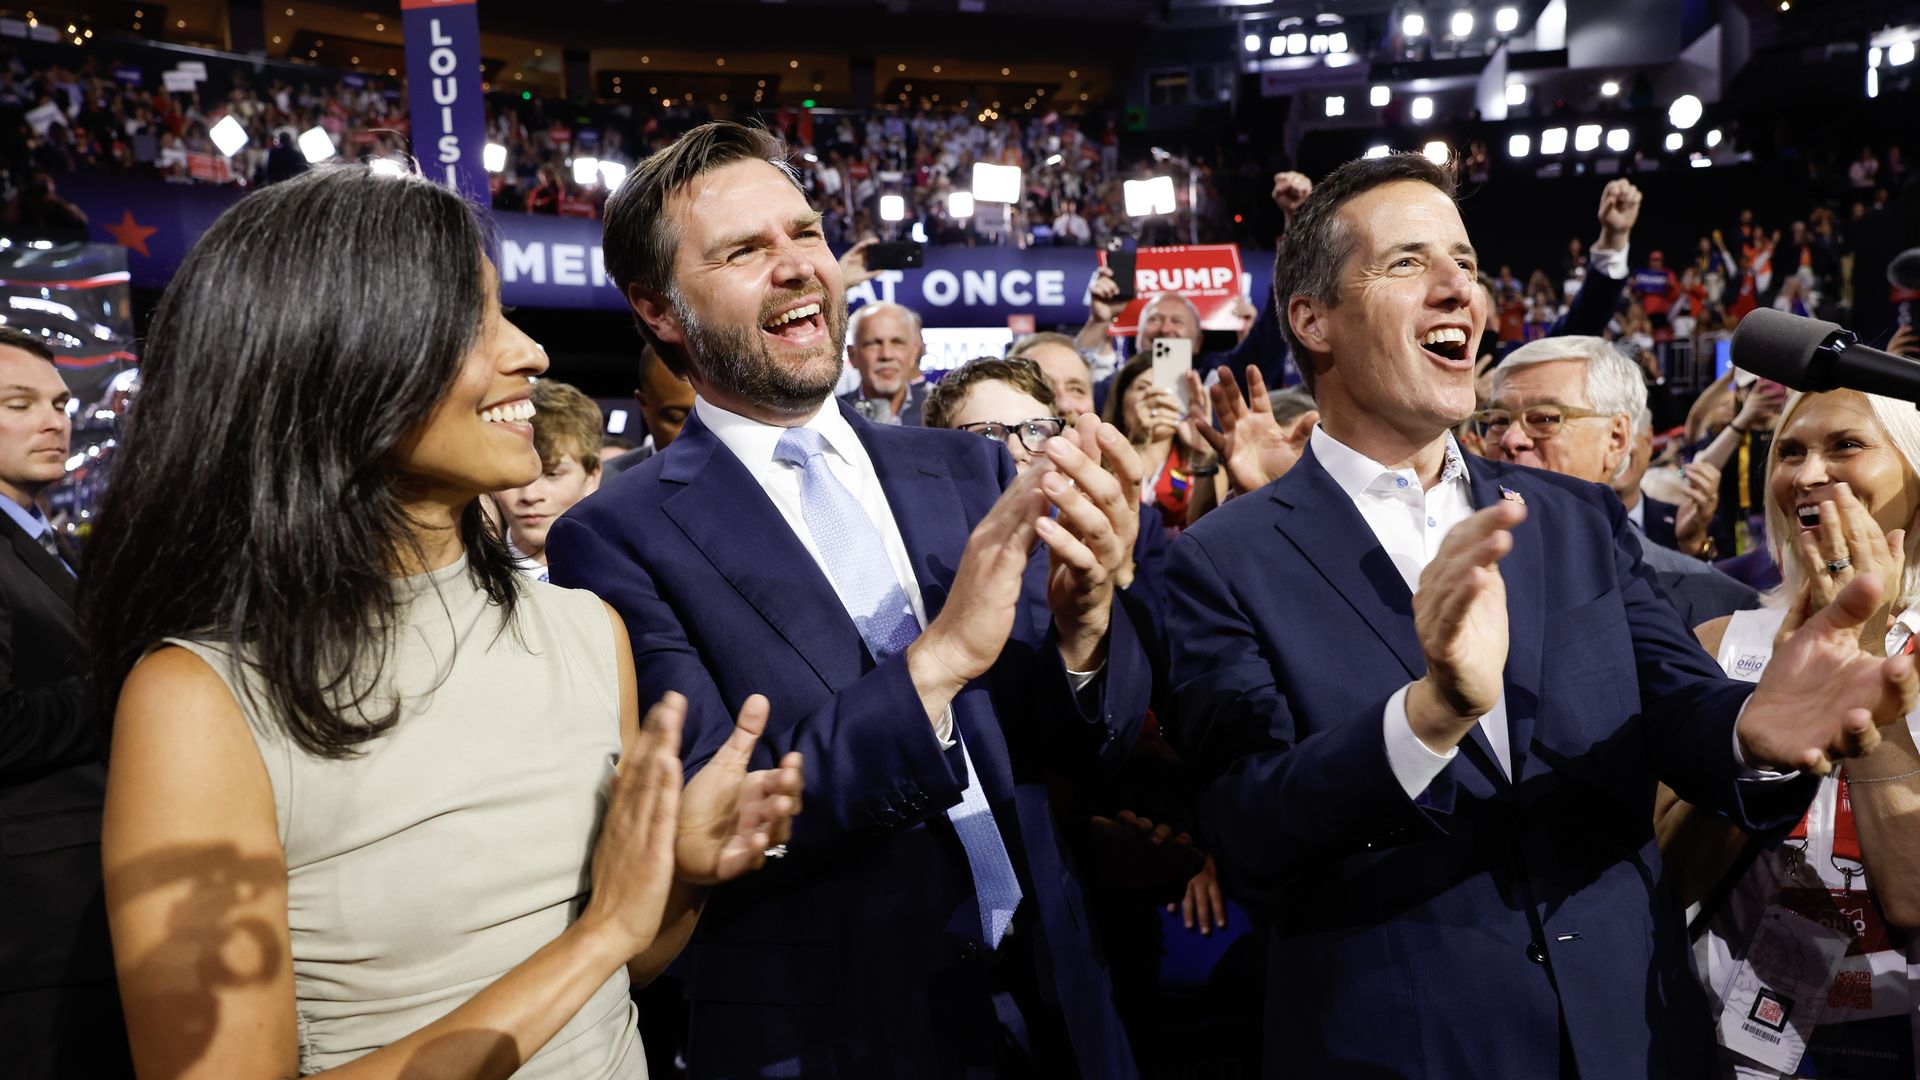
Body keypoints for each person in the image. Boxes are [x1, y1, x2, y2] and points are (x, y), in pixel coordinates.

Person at [1167, 151, 1917, 1079]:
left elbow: (1678, 708)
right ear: (1312, 321)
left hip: (1638, 1042)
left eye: (1468, 265)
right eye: (1408, 263)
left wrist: (1750, 731)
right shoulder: (1217, 560)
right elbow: (1249, 828)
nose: (1458, 291)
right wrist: (1428, 715)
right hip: (1409, 1051)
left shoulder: (1571, 517)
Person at [84, 167, 803, 1079]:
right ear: (334, 358)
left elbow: (621, 973)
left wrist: (679, 881)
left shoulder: (587, 630)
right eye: (473, 320)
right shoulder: (197, 701)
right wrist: (603, 932)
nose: (531, 353)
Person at [556, 120, 1152, 1078]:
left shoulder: (962, 467)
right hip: (841, 1030)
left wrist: (1086, 633)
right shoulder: (613, 537)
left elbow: (1077, 747)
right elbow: (730, 814)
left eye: (805, 235)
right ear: (658, 309)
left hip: (1057, 1006)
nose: (797, 267)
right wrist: (939, 660)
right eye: (746, 250)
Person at [1660, 387, 1920, 1079]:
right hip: (1731, 1044)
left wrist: (1863, 662)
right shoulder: (1718, 641)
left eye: (1845, 446)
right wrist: (1760, 752)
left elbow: (1912, 895)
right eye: (1790, 451)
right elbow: (1665, 878)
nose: (1807, 474)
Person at [0, 328, 131, 1078]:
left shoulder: (54, 544)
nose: (55, 420)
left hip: (82, 916)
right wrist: (130, 687)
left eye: (57, 402)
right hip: (33, 929)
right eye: (21, 404)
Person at [1477, 336, 1757, 626]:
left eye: (1545, 419)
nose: (1511, 439)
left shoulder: (1721, 606)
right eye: (1498, 420)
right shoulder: (1444, 565)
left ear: (1616, 438)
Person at [495, 378, 603, 583]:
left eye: (553, 474)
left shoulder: (618, 576)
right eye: (515, 475)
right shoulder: (470, 581)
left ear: (591, 478)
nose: (530, 495)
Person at [1101, 353, 1221, 531]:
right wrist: (1138, 444)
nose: (1157, 397)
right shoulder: (1098, 458)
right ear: (1120, 400)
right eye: (1143, 388)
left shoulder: (1206, 467)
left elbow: (1205, 532)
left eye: (1167, 389)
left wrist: (1202, 453)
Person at [603, 344, 697, 480]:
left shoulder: (737, 475)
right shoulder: (604, 484)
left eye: (711, 415)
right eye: (675, 417)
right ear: (644, 404)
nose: (698, 430)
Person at [836, 300, 929, 425]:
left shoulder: (941, 410)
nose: (886, 355)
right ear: (852, 355)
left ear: (914, 353)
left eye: (897, 342)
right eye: (873, 343)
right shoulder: (834, 415)